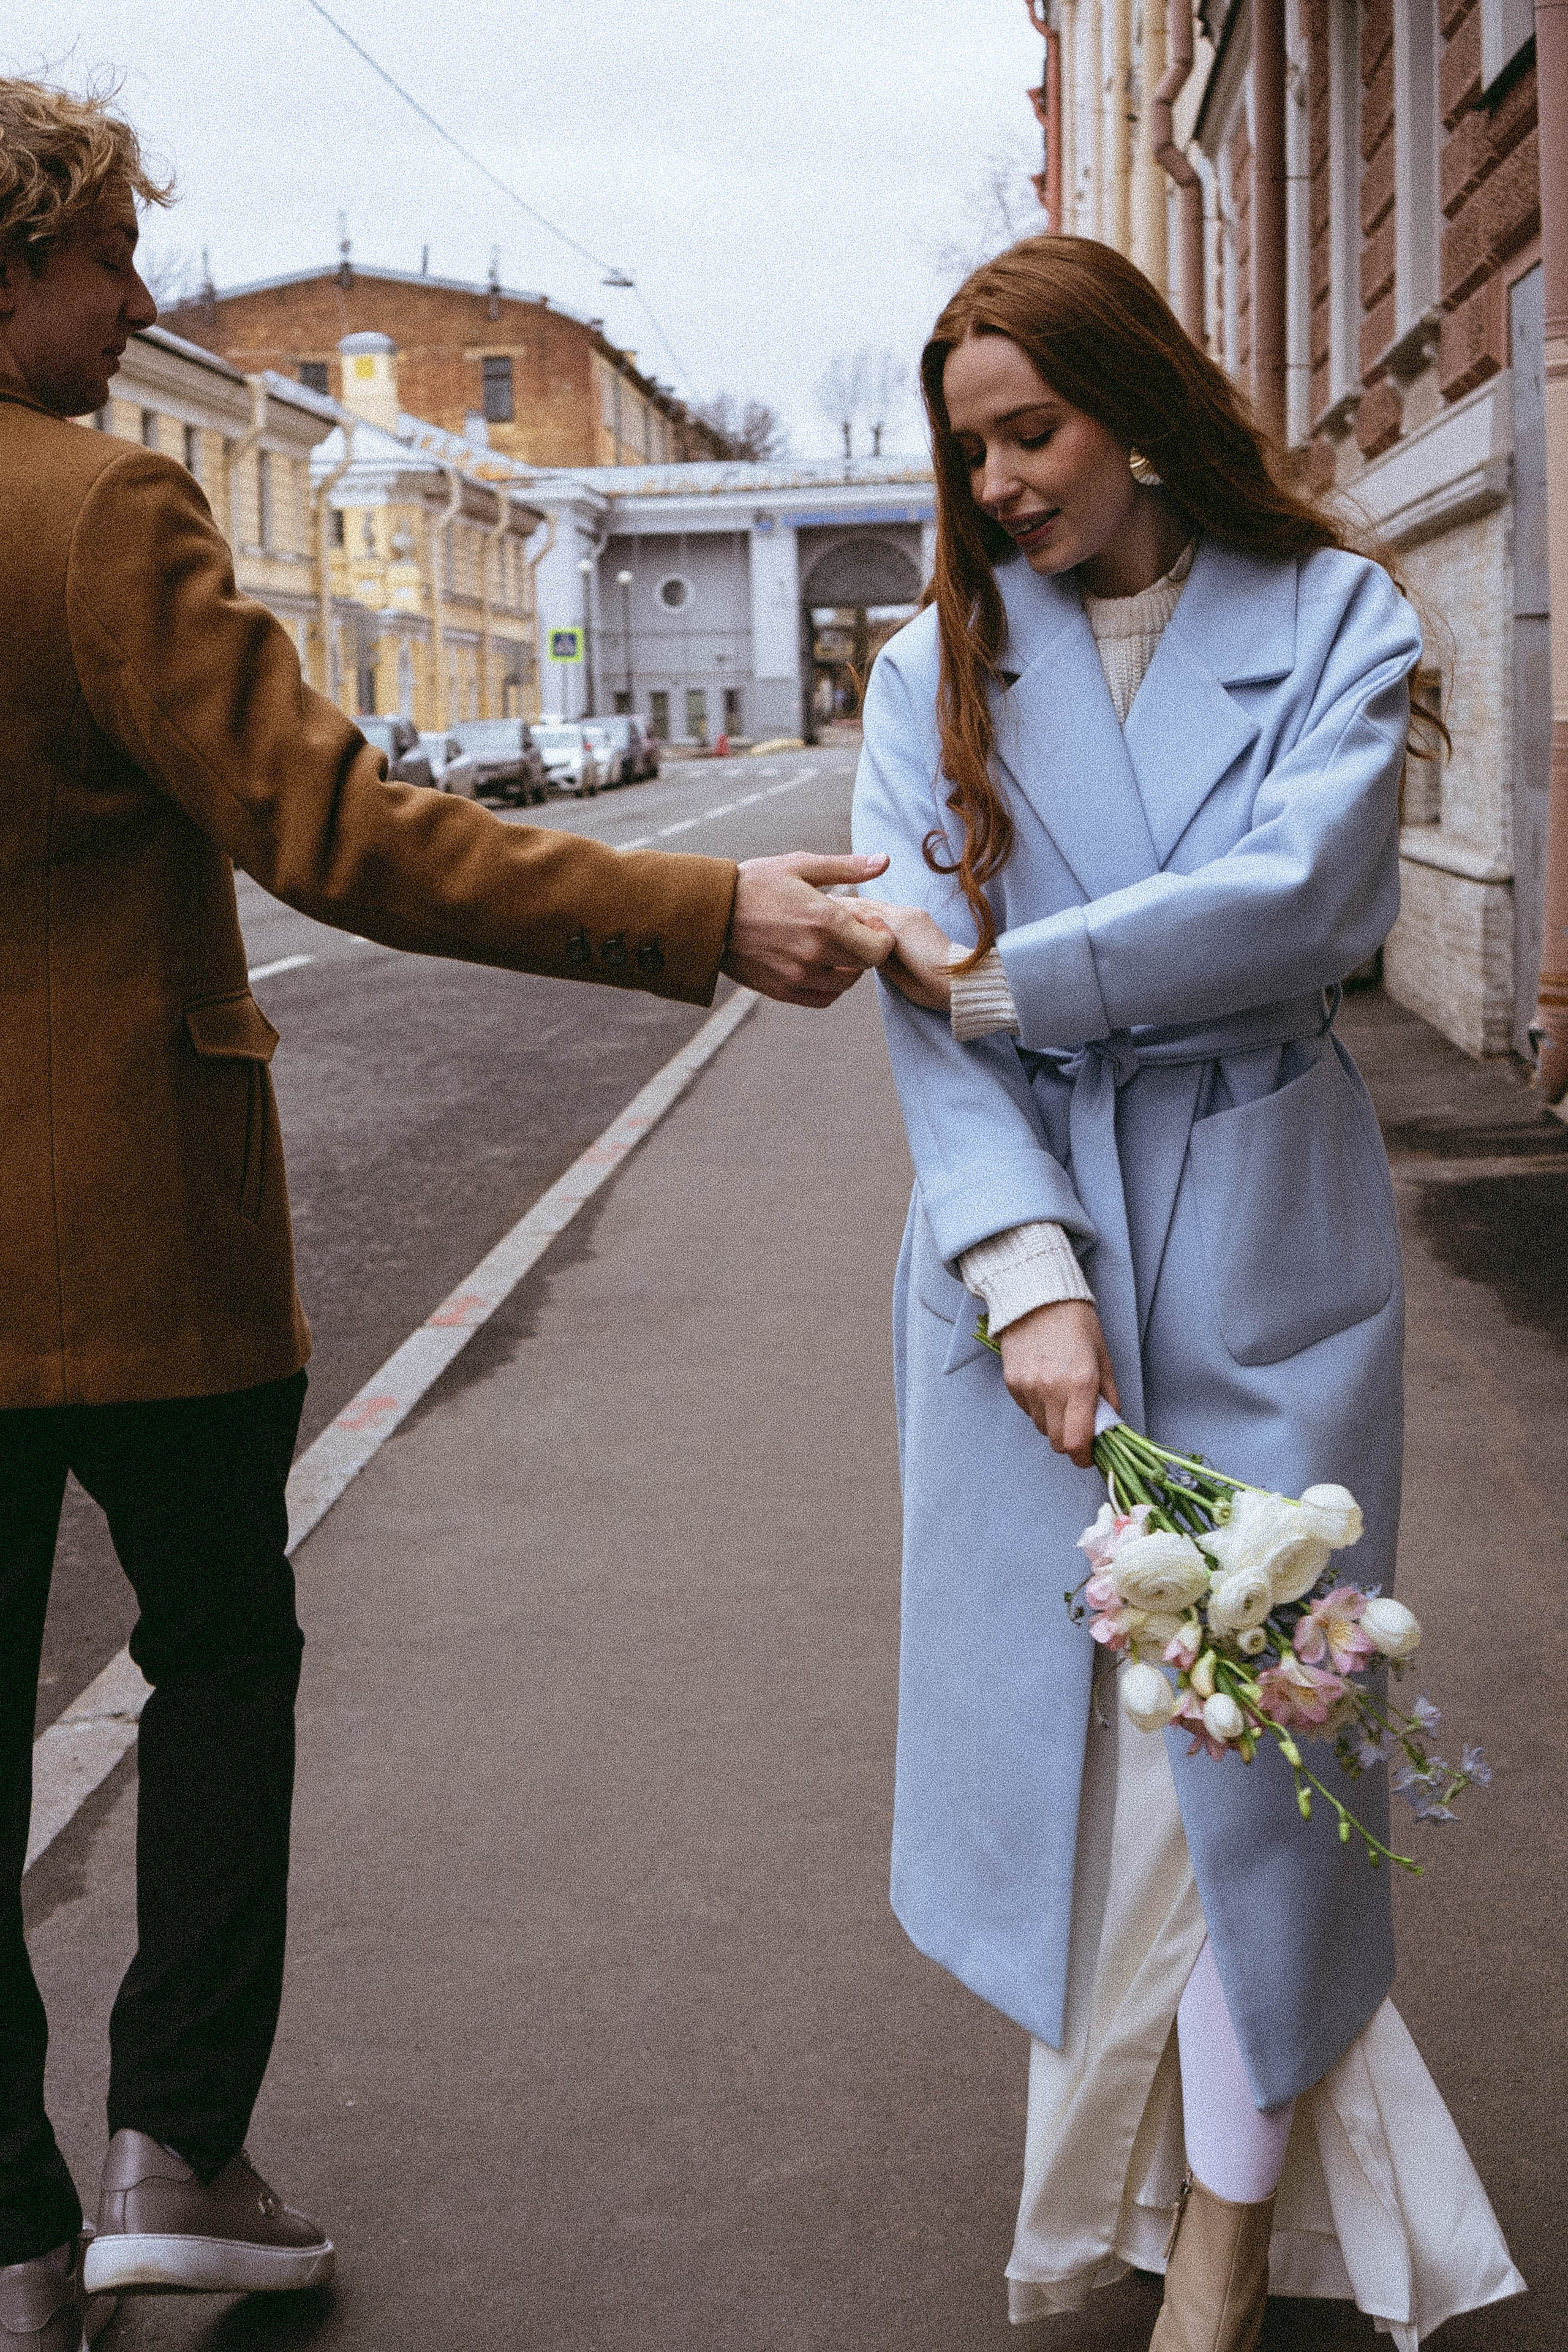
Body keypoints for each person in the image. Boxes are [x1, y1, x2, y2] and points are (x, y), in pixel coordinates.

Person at [0, 78, 892, 2352]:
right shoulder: (97, 513)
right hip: (141, 1241)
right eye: (105, 261)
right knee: (218, 1661)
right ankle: (174, 2154)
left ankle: (10, 2242)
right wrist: (702, 912)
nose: (133, 302)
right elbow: (339, 832)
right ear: (15, 272)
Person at [855, 236, 1524, 2351]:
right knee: (1096, 1787)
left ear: (1137, 407)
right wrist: (1024, 1274)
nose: (999, 486)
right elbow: (918, 1041)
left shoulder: (1333, 614)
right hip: (1025, 1250)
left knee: (1266, 1751)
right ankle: (1129, 2187)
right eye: (969, 451)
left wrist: (1002, 977)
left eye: (1031, 432)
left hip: (1262, 1233)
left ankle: (1219, 2251)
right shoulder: (929, 670)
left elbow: (1306, 901)